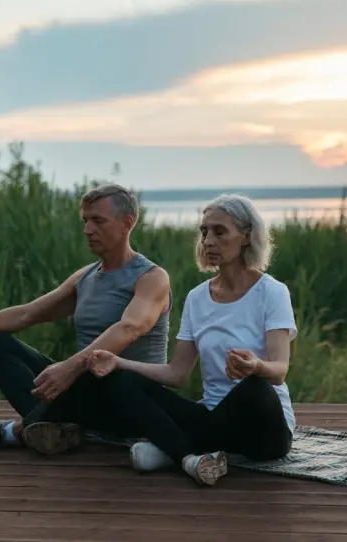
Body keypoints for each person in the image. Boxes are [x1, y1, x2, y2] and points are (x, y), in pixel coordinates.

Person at [0, 184, 173, 455]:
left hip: (133, 399)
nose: (87, 230)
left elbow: (130, 328)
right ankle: (60, 429)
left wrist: (70, 367)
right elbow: (27, 313)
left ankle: (13, 432)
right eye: (85, 221)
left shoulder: (151, 278)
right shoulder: (85, 278)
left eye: (98, 221)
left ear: (127, 223)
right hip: (87, 394)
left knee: (103, 373)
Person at [84, 193, 297, 486]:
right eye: (204, 231)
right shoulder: (197, 298)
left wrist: (256, 366)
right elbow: (177, 373)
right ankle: (189, 458)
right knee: (119, 379)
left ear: (246, 236)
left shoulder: (272, 292)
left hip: (264, 431)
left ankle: (172, 448)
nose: (208, 240)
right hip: (211, 419)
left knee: (256, 389)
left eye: (220, 232)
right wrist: (119, 362)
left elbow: (279, 371)